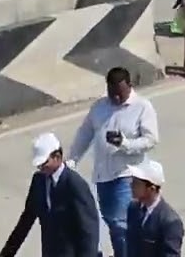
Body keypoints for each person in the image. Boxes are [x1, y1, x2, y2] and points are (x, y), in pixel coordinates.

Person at [66, 67, 160, 257]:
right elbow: (85, 133)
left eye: (121, 93)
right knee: (111, 221)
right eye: (112, 93)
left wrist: (125, 144)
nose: (116, 98)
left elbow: (151, 140)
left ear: (130, 86)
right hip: (103, 176)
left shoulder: (142, 107)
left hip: (127, 175)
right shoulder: (100, 106)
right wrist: (72, 159)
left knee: (121, 225)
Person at [0, 132, 100, 257]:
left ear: (57, 157)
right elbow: (25, 221)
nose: (40, 168)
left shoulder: (75, 184)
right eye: (38, 165)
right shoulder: (39, 181)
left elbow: (89, 230)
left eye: (43, 163)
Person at [124, 160, 184, 257]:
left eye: (136, 183)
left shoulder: (170, 221)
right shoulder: (133, 208)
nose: (131, 185)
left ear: (151, 188)